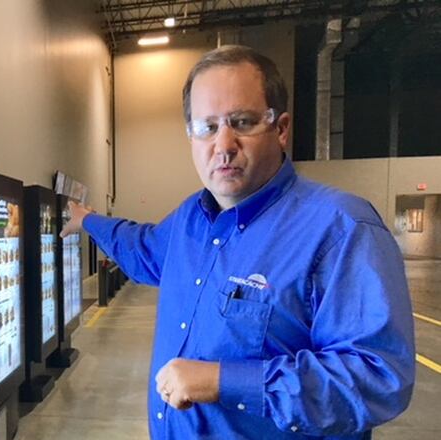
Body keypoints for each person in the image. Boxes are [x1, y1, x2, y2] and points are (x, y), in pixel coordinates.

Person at [61, 45, 415, 439]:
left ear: (280, 129)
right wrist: (88, 221)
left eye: (242, 122)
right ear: (191, 136)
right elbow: (141, 246)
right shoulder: (190, 221)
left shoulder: (340, 229)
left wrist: (223, 381)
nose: (223, 145)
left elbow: (376, 379)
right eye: (207, 127)